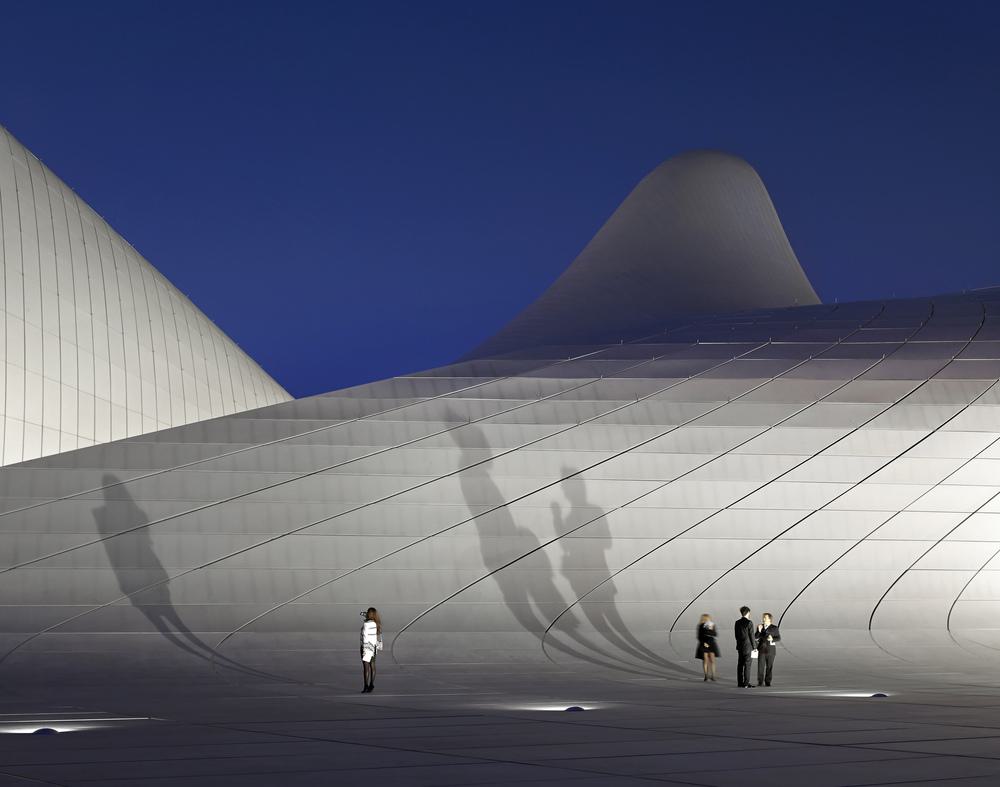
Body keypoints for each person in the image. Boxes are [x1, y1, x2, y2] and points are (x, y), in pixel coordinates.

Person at [360, 607, 382, 693]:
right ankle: (371, 684)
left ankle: (365, 686)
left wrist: (365, 649)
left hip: (366, 646)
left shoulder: (366, 624)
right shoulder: (376, 624)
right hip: (373, 647)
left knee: (366, 668)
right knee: (372, 665)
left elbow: (365, 637)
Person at [755, 612, 781, 686]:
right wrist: (759, 631)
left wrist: (772, 639)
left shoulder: (774, 628)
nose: (763, 619)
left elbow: (778, 638)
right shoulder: (760, 626)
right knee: (760, 666)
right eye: (763, 617)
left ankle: (768, 681)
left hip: (771, 650)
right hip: (761, 649)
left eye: (765, 617)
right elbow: (756, 637)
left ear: (769, 619)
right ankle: (760, 681)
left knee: (769, 666)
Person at [734, 606, 755, 688]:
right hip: (748, 647)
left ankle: (740, 682)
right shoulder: (749, 623)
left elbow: (736, 635)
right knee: (747, 665)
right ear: (748, 613)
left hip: (740, 646)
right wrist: (755, 647)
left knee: (740, 665)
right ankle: (746, 683)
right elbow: (751, 636)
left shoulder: (737, 622)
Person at [696, 614, 720, 681]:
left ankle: (713, 675)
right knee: (705, 660)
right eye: (707, 618)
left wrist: (710, 629)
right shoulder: (700, 626)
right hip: (704, 644)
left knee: (712, 660)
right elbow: (699, 636)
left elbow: (715, 634)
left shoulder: (712, 625)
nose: (708, 620)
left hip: (711, 643)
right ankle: (706, 675)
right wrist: (704, 643)